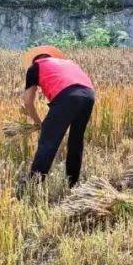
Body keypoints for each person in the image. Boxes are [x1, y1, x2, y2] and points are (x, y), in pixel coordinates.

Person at [22, 45, 96, 187]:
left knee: (48, 142)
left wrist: (39, 123)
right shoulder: (69, 63)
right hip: (89, 95)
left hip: (67, 97)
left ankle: (33, 185)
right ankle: (72, 183)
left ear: (34, 60)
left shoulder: (35, 67)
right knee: (76, 141)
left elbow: (27, 102)